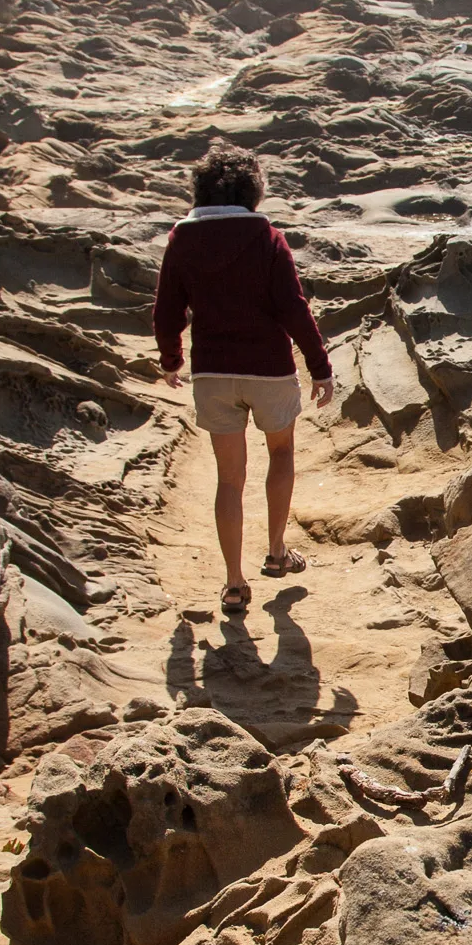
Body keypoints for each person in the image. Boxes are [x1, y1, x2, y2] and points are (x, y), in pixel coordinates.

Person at [151, 144, 334, 615]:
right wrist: (320, 367)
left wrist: (172, 359)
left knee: (229, 480)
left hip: (213, 370)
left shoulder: (182, 240)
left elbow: (167, 311)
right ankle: (276, 553)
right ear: (253, 192)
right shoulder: (267, 238)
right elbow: (293, 307)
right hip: (269, 369)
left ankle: (234, 583)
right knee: (281, 452)